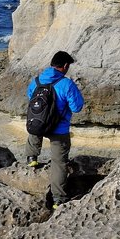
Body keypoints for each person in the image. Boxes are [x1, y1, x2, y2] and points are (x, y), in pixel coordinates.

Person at [26, 51, 85, 210]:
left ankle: (32, 157)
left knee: (35, 127)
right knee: (59, 163)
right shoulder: (66, 84)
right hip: (59, 130)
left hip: (38, 125)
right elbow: (77, 107)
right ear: (65, 66)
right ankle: (58, 200)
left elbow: (30, 97)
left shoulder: (36, 81)